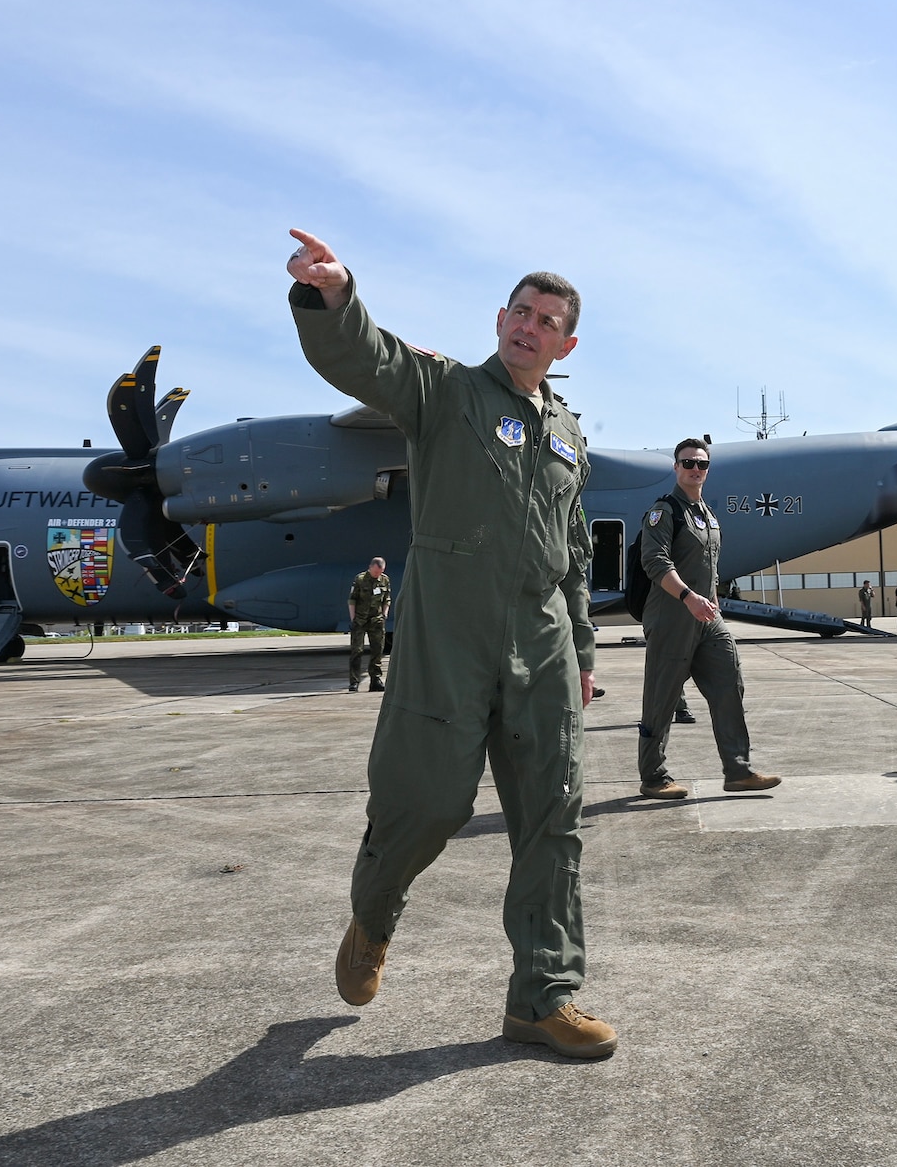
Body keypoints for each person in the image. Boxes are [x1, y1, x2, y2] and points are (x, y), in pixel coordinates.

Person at [285, 229, 616, 1060]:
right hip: (450, 632)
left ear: (565, 343)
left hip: (543, 641)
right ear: (500, 317)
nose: (530, 327)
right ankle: (375, 912)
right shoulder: (446, 391)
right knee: (428, 799)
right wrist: (334, 295)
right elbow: (370, 360)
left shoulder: (570, 434)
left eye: (548, 322)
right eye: (521, 312)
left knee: (553, 813)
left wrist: (581, 646)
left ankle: (543, 995)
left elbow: (574, 551)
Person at [636, 438, 781, 801]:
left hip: (706, 617)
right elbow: (655, 562)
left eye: (701, 464)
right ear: (676, 467)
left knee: (730, 683)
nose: (695, 469)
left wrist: (711, 599)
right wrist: (688, 596)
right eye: (688, 463)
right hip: (673, 616)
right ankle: (653, 777)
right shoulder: (664, 511)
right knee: (662, 699)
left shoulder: (706, 513)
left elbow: (709, 565)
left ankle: (738, 771)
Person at [346, 557, 391, 692]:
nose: (378, 575)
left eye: (380, 572)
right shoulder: (360, 579)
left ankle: (375, 679)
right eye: (376, 572)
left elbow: (387, 599)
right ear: (371, 567)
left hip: (376, 620)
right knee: (357, 651)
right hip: (360, 620)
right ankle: (354, 681)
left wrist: (384, 614)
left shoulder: (384, 580)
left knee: (377, 650)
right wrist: (353, 618)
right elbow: (352, 600)